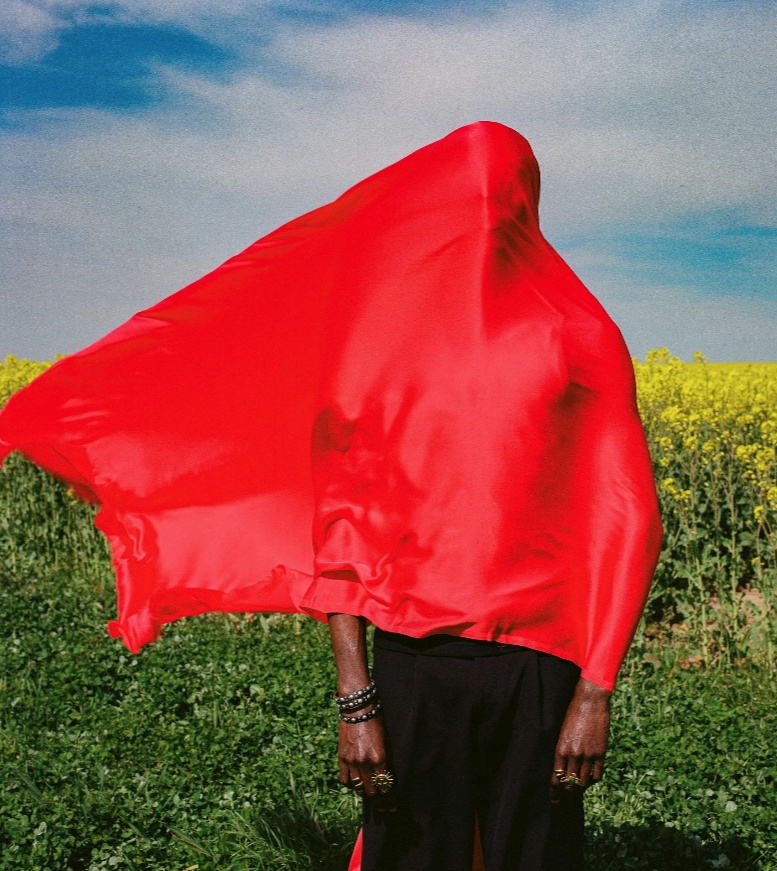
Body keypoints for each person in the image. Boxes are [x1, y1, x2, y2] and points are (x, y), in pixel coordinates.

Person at [0, 121, 661, 870]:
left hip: (540, 664)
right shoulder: (390, 343)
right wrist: (358, 700)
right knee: (410, 856)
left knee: (534, 857)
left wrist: (594, 691)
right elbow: (343, 528)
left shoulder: (579, 334)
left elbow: (628, 515)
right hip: (415, 656)